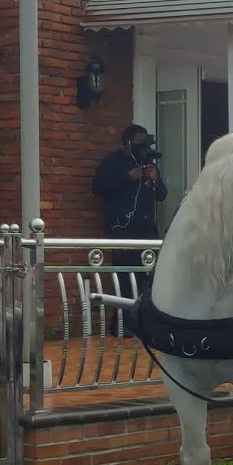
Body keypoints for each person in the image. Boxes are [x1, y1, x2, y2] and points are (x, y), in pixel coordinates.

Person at [92, 124, 167, 334]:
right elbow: (98, 188)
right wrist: (128, 177)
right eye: (139, 142)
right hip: (122, 230)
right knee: (125, 279)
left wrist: (154, 179)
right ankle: (122, 325)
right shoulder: (113, 162)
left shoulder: (149, 165)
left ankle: (144, 324)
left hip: (146, 231)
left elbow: (162, 195)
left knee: (146, 280)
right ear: (127, 142)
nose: (143, 148)